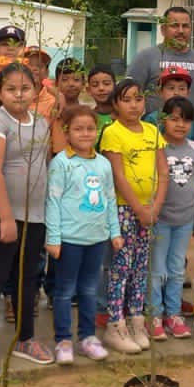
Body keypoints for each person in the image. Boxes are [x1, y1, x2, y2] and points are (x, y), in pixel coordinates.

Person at [0, 63, 54, 380]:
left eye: (25, 88)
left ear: (36, 91)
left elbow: (44, 166)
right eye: (11, 89)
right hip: (1, 215)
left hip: (35, 216)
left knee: (27, 279)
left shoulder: (42, 123)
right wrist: (5, 218)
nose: (19, 95)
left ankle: (26, 338)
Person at [46, 105, 122, 363]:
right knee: (65, 292)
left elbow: (110, 199)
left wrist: (115, 231)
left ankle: (88, 337)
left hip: (97, 239)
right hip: (69, 240)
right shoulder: (61, 163)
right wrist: (54, 238)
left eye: (90, 128)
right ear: (67, 132)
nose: (85, 134)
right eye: (78, 129)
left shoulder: (103, 164)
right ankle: (63, 341)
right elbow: (53, 201)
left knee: (89, 290)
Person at [99, 77, 165, 353]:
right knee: (121, 267)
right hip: (125, 210)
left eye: (138, 98)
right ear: (115, 104)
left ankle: (137, 320)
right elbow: (118, 175)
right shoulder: (113, 132)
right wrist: (138, 208)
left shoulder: (152, 131)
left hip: (149, 211)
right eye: (126, 99)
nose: (133, 105)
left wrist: (155, 207)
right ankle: (115, 324)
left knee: (140, 267)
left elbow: (163, 172)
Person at [149, 97, 194, 340]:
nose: (181, 125)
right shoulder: (157, 147)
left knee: (177, 268)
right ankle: (155, 315)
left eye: (186, 120)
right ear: (163, 120)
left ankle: (174, 314)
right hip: (161, 219)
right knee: (158, 268)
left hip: (185, 219)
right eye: (175, 119)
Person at [125, 4, 194, 125]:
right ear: (163, 29)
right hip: (155, 136)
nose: (180, 31)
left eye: (185, 26)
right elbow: (128, 97)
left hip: (191, 136)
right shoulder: (145, 58)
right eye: (175, 25)